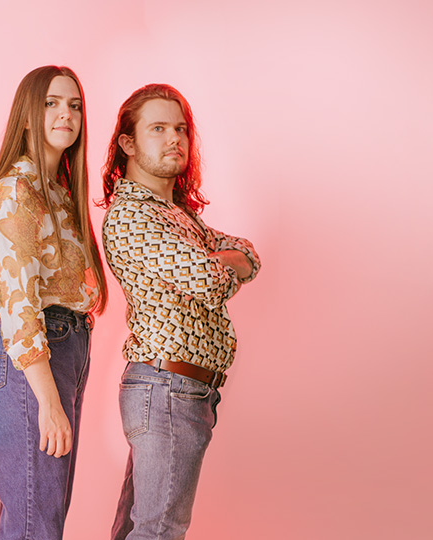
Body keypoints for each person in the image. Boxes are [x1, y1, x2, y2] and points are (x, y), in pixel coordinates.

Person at [101, 83, 260, 539]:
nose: (175, 139)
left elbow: (249, 253)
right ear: (128, 144)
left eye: (181, 129)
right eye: (158, 128)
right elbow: (210, 280)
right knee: (159, 531)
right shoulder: (133, 214)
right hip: (167, 387)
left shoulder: (178, 216)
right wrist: (221, 263)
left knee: (144, 528)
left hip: (182, 390)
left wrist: (221, 260)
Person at [0, 65, 108, 540]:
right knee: (36, 527)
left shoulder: (57, 190)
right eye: (52, 103)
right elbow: (18, 305)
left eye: (74, 105)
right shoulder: (19, 189)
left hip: (63, 354)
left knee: (38, 522)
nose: (66, 113)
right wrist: (49, 400)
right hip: (33, 364)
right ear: (28, 116)